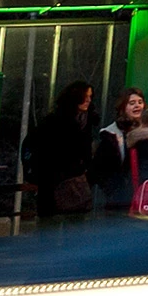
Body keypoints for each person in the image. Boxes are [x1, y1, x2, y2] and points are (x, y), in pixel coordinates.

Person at [21, 81, 99, 222]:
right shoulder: (55, 123)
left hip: (74, 187)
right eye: (85, 96)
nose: (88, 100)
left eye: (90, 96)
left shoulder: (86, 122)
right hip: (55, 185)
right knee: (51, 226)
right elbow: (35, 146)